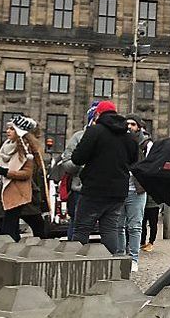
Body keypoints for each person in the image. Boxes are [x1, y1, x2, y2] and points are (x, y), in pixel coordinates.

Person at [69, 101, 138, 254]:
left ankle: (74, 265)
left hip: (94, 189)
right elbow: (134, 160)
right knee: (109, 229)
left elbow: (77, 158)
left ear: (98, 114)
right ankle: (110, 266)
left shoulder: (94, 131)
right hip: (118, 191)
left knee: (82, 229)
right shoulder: (129, 137)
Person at [0, 116, 50, 241]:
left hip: (24, 193)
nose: (8, 131)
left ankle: (41, 249)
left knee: (33, 224)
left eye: (12, 128)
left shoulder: (26, 149)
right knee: (6, 226)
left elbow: (26, 173)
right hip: (7, 191)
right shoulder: (6, 147)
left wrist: (2, 171)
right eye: (8, 128)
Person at [59, 104, 98, 240]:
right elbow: (67, 164)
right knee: (77, 224)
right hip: (80, 190)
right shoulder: (78, 137)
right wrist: (81, 162)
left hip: (104, 189)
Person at [118, 116, 150, 272]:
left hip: (137, 190)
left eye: (133, 124)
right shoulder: (118, 141)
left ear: (139, 127)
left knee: (135, 226)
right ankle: (121, 256)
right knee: (119, 226)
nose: (129, 126)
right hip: (120, 189)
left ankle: (133, 258)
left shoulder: (145, 144)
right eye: (127, 124)